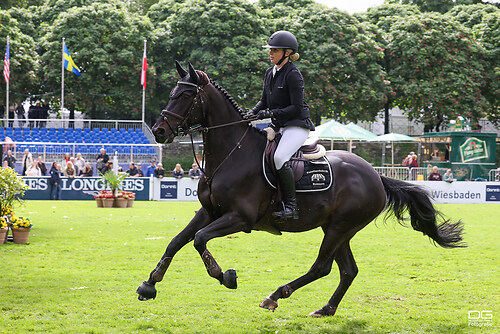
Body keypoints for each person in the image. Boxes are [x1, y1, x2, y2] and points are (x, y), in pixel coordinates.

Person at [248, 30, 314, 220]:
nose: (270, 54)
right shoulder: (270, 72)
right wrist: (250, 113)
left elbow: (297, 107)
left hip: (296, 126)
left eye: (274, 50)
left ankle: (292, 207)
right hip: (279, 127)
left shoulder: (293, 74)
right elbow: (263, 102)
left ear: (287, 53)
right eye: (270, 50)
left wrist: (271, 113)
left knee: (279, 157)